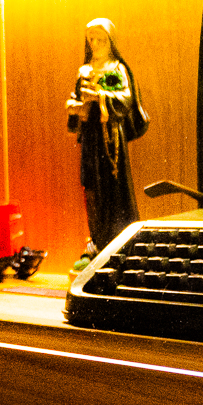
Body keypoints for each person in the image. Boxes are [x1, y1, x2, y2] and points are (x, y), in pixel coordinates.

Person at [65, 17, 148, 266]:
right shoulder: (85, 70)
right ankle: (97, 242)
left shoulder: (113, 69)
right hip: (91, 138)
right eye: (91, 39)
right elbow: (77, 97)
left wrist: (100, 97)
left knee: (114, 189)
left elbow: (124, 98)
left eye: (101, 39)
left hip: (111, 139)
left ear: (110, 41)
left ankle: (119, 241)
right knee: (91, 189)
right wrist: (74, 108)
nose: (95, 44)